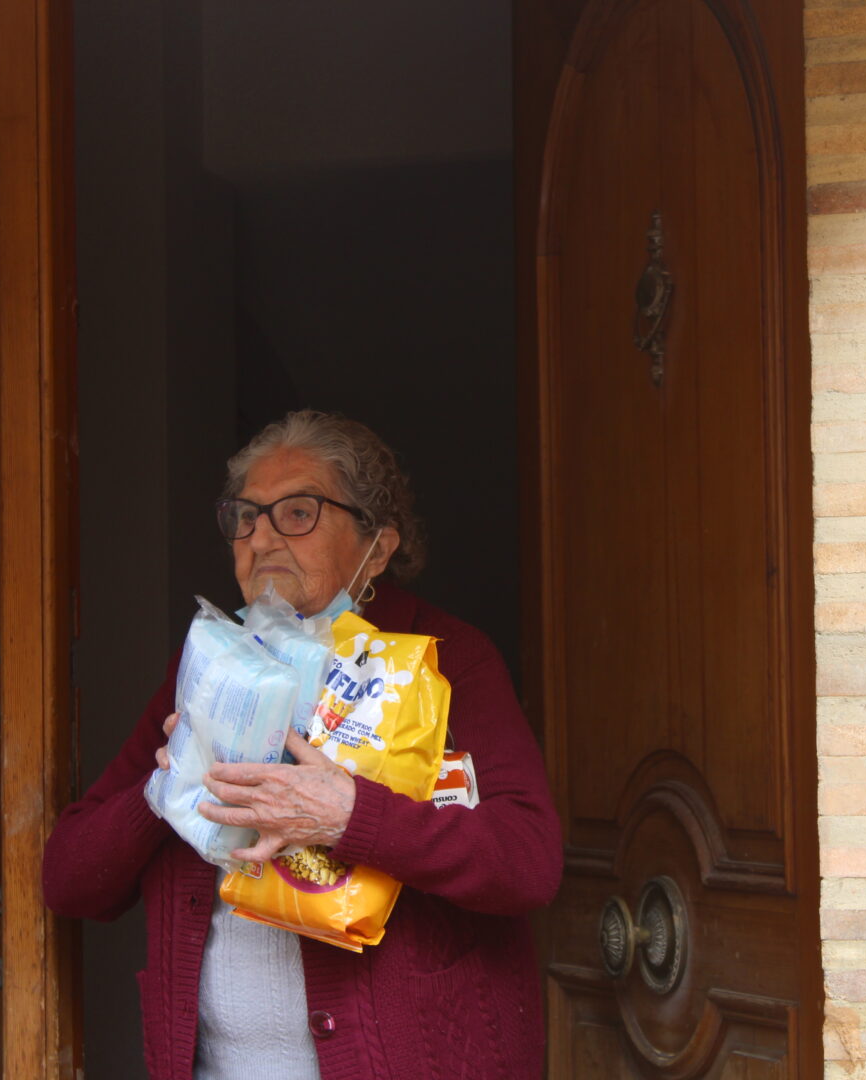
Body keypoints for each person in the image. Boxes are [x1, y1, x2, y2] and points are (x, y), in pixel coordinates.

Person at [42, 410, 562, 1080]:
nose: (260, 537)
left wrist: (351, 817)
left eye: (298, 512)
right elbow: (70, 880)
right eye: (246, 516)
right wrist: (166, 788)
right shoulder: (206, 669)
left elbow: (527, 860)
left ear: (376, 545)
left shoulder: (447, 660)